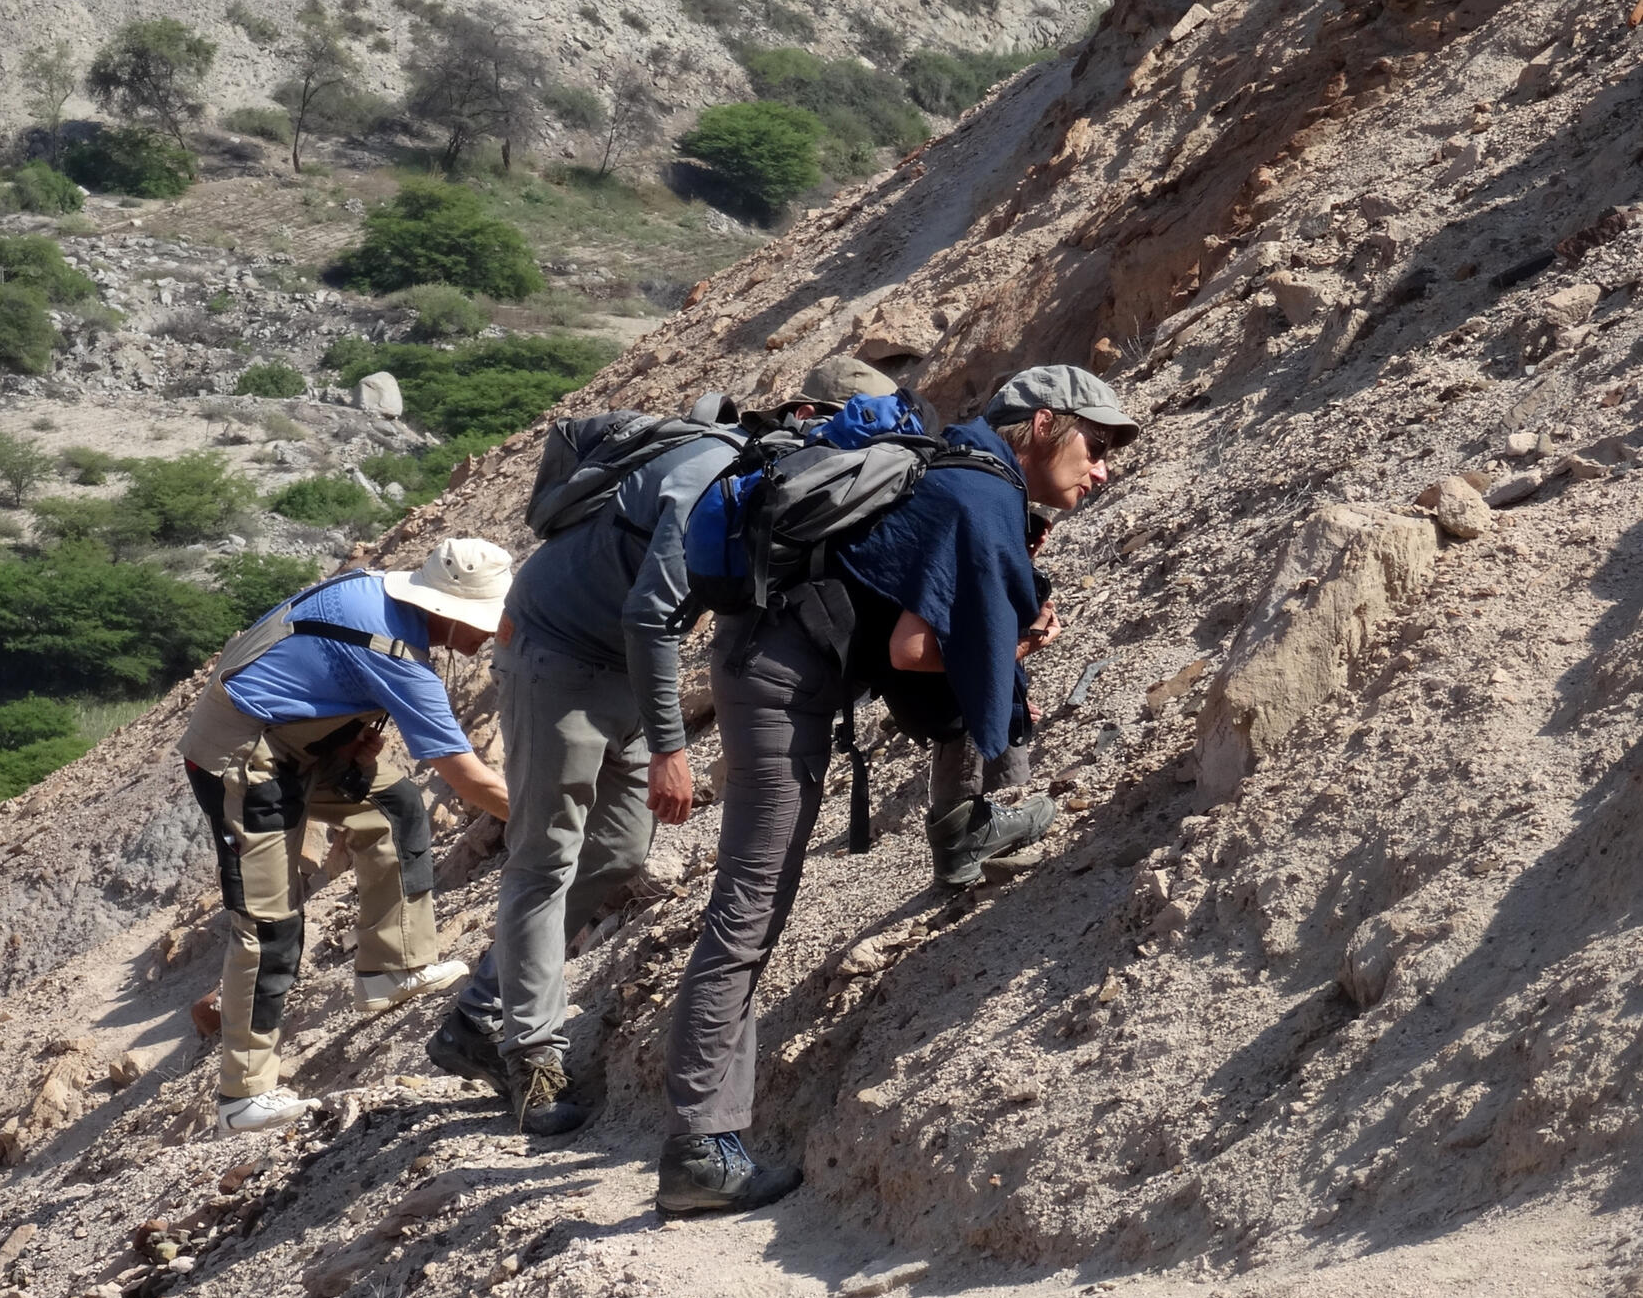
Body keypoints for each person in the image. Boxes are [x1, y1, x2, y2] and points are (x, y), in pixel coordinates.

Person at [657, 363, 1139, 1214]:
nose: (1102, 470)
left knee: (754, 905)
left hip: (772, 658)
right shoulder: (980, 494)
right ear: (1042, 427)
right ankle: (699, 1146)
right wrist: (1018, 649)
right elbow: (916, 653)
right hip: (778, 682)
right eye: (1094, 447)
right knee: (751, 905)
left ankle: (707, 1136)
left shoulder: (966, 469)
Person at [424, 370, 858, 1134]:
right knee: (544, 857)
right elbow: (653, 616)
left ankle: (479, 1015)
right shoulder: (713, 476)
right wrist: (669, 747)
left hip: (618, 663)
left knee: (619, 851)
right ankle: (530, 1059)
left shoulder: (768, 483)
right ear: (800, 414)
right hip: (556, 655)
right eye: (838, 430)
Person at [179, 538, 514, 1134]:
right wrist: (549, 818)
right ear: (449, 611)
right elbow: (467, 777)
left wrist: (342, 730)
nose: (489, 635)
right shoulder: (396, 655)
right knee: (269, 924)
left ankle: (392, 968)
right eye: (484, 621)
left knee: (392, 808)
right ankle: (242, 1097)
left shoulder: (373, 591)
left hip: (301, 739)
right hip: (243, 755)